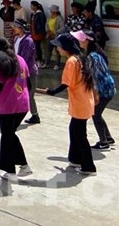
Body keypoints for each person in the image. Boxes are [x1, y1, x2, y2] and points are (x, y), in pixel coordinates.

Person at [37, 33, 97, 176]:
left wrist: (51, 92)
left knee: (80, 135)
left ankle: (89, 166)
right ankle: (74, 159)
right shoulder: (81, 58)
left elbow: (65, 84)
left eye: (58, 46)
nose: (57, 49)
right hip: (85, 101)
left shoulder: (72, 61)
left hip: (80, 103)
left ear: (65, 47)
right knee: (74, 130)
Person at [0, 37, 32, 181]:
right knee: (10, 134)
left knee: (7, 137)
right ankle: (24, 166)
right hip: (23, 104)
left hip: (8, 105)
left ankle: (10, 171)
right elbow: (29, 83)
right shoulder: (21, 59)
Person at [72, 30, 116, 150]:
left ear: (87, 41)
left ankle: (103, 142)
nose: (78, 41)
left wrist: (95, 93)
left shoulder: (92, 57)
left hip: (103, 89)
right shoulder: (95, 54)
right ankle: (108, 137)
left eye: (81, 39)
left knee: (95, 114)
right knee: (98, 113)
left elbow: (94, 77)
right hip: (108, 87)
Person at [11, 19, 40, 125]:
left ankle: (35, 115)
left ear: (21, 28)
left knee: (29, 95)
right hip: (19, 70)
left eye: (16, 26)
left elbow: (25, 58)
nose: (14, 28)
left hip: (29, 72)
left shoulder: (28, 41)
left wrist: (19, 70)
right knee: (18, 93)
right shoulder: (16, 39)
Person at [43, 4, 66, 69]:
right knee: (48, 50)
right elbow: (46, 25)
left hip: (56, 37)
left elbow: (62, 28)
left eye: (51, 10)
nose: (50, 11)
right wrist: (48, 31)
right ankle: (46, 63)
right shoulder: (49, 17)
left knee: (57, 51)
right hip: (49, 36)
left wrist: (55, 32)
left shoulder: (60, 18)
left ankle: (57, 64)